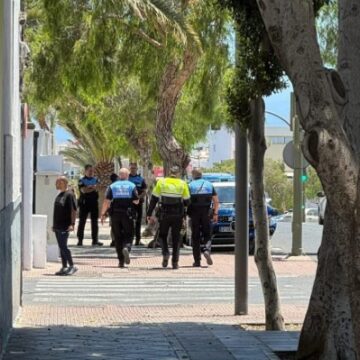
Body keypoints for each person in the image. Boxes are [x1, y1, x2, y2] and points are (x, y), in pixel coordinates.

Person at [146, 166, 190, 269]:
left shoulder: (161, 182)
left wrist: (149, 213)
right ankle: (175, 262)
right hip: (178, 215)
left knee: (162, 236)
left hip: (164, 214)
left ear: (169, 172)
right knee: (176, 239)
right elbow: (187, 201)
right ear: (178, 174)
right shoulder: (183, 183)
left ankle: (165, 253)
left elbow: (154, 199)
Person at [100, 168, 139, 268]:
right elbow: (136, 201)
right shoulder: (131, 185)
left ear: (119, 176)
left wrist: (103, 214)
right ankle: (126, 247)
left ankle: (121, 261)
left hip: (115, 215)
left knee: (117, 237)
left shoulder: (112, 186)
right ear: (127, 175)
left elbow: (107, 201)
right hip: (127, 214)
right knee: (129, 234)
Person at [188, 169, 219, 267]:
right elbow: (216, 201)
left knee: (195, 237)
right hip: (206, 213)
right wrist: (215, 214)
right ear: (202, 175)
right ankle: (206, 250)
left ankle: (197, 261)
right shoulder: (209, 185)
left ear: (193, 175)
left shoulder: (190, 185)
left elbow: (186, 201)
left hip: (194, 214)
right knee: (207, 234)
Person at [52, 176, 78, 276]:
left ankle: (72, 266)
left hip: (65, 225)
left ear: (63, 182)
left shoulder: (69, 195)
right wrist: (54, 225)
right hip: (58, 226)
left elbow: (73, 210)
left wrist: (72, 224)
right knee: (61, 247)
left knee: (64, 246)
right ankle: (64, 266)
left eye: (57, 182)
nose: (56, 184)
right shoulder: (60, 195)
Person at [76, 164, 103, 246]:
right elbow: (84, 190)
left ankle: (95, 240)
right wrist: (93, 188)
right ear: (85, 171)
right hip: (84, 203)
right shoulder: (81, 180)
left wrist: (90, 187)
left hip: (94, 203)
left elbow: (99, 188)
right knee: (82, 222)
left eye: (92, 171)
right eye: (90, 171)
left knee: (94, 222)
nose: (91, 172)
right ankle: (80, 240)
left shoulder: (96, 179)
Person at [128, 163, 147, 245]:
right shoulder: (127, 178)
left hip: (139, 202)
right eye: (131, 168)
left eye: (134, 168)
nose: (133, 169)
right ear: (129, 169)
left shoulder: (141, 179)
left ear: (137, 169)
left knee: (138, 221)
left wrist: (138, 197)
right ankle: (130, 239)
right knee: (130, 221)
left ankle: (138, 240)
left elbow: (144, 190)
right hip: (129, 203)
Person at [109, 173, 119, 247]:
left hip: (112, 209)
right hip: (115, 208)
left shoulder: (110, 187)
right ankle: (114, 240)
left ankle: (114, 240)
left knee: (113, 226)